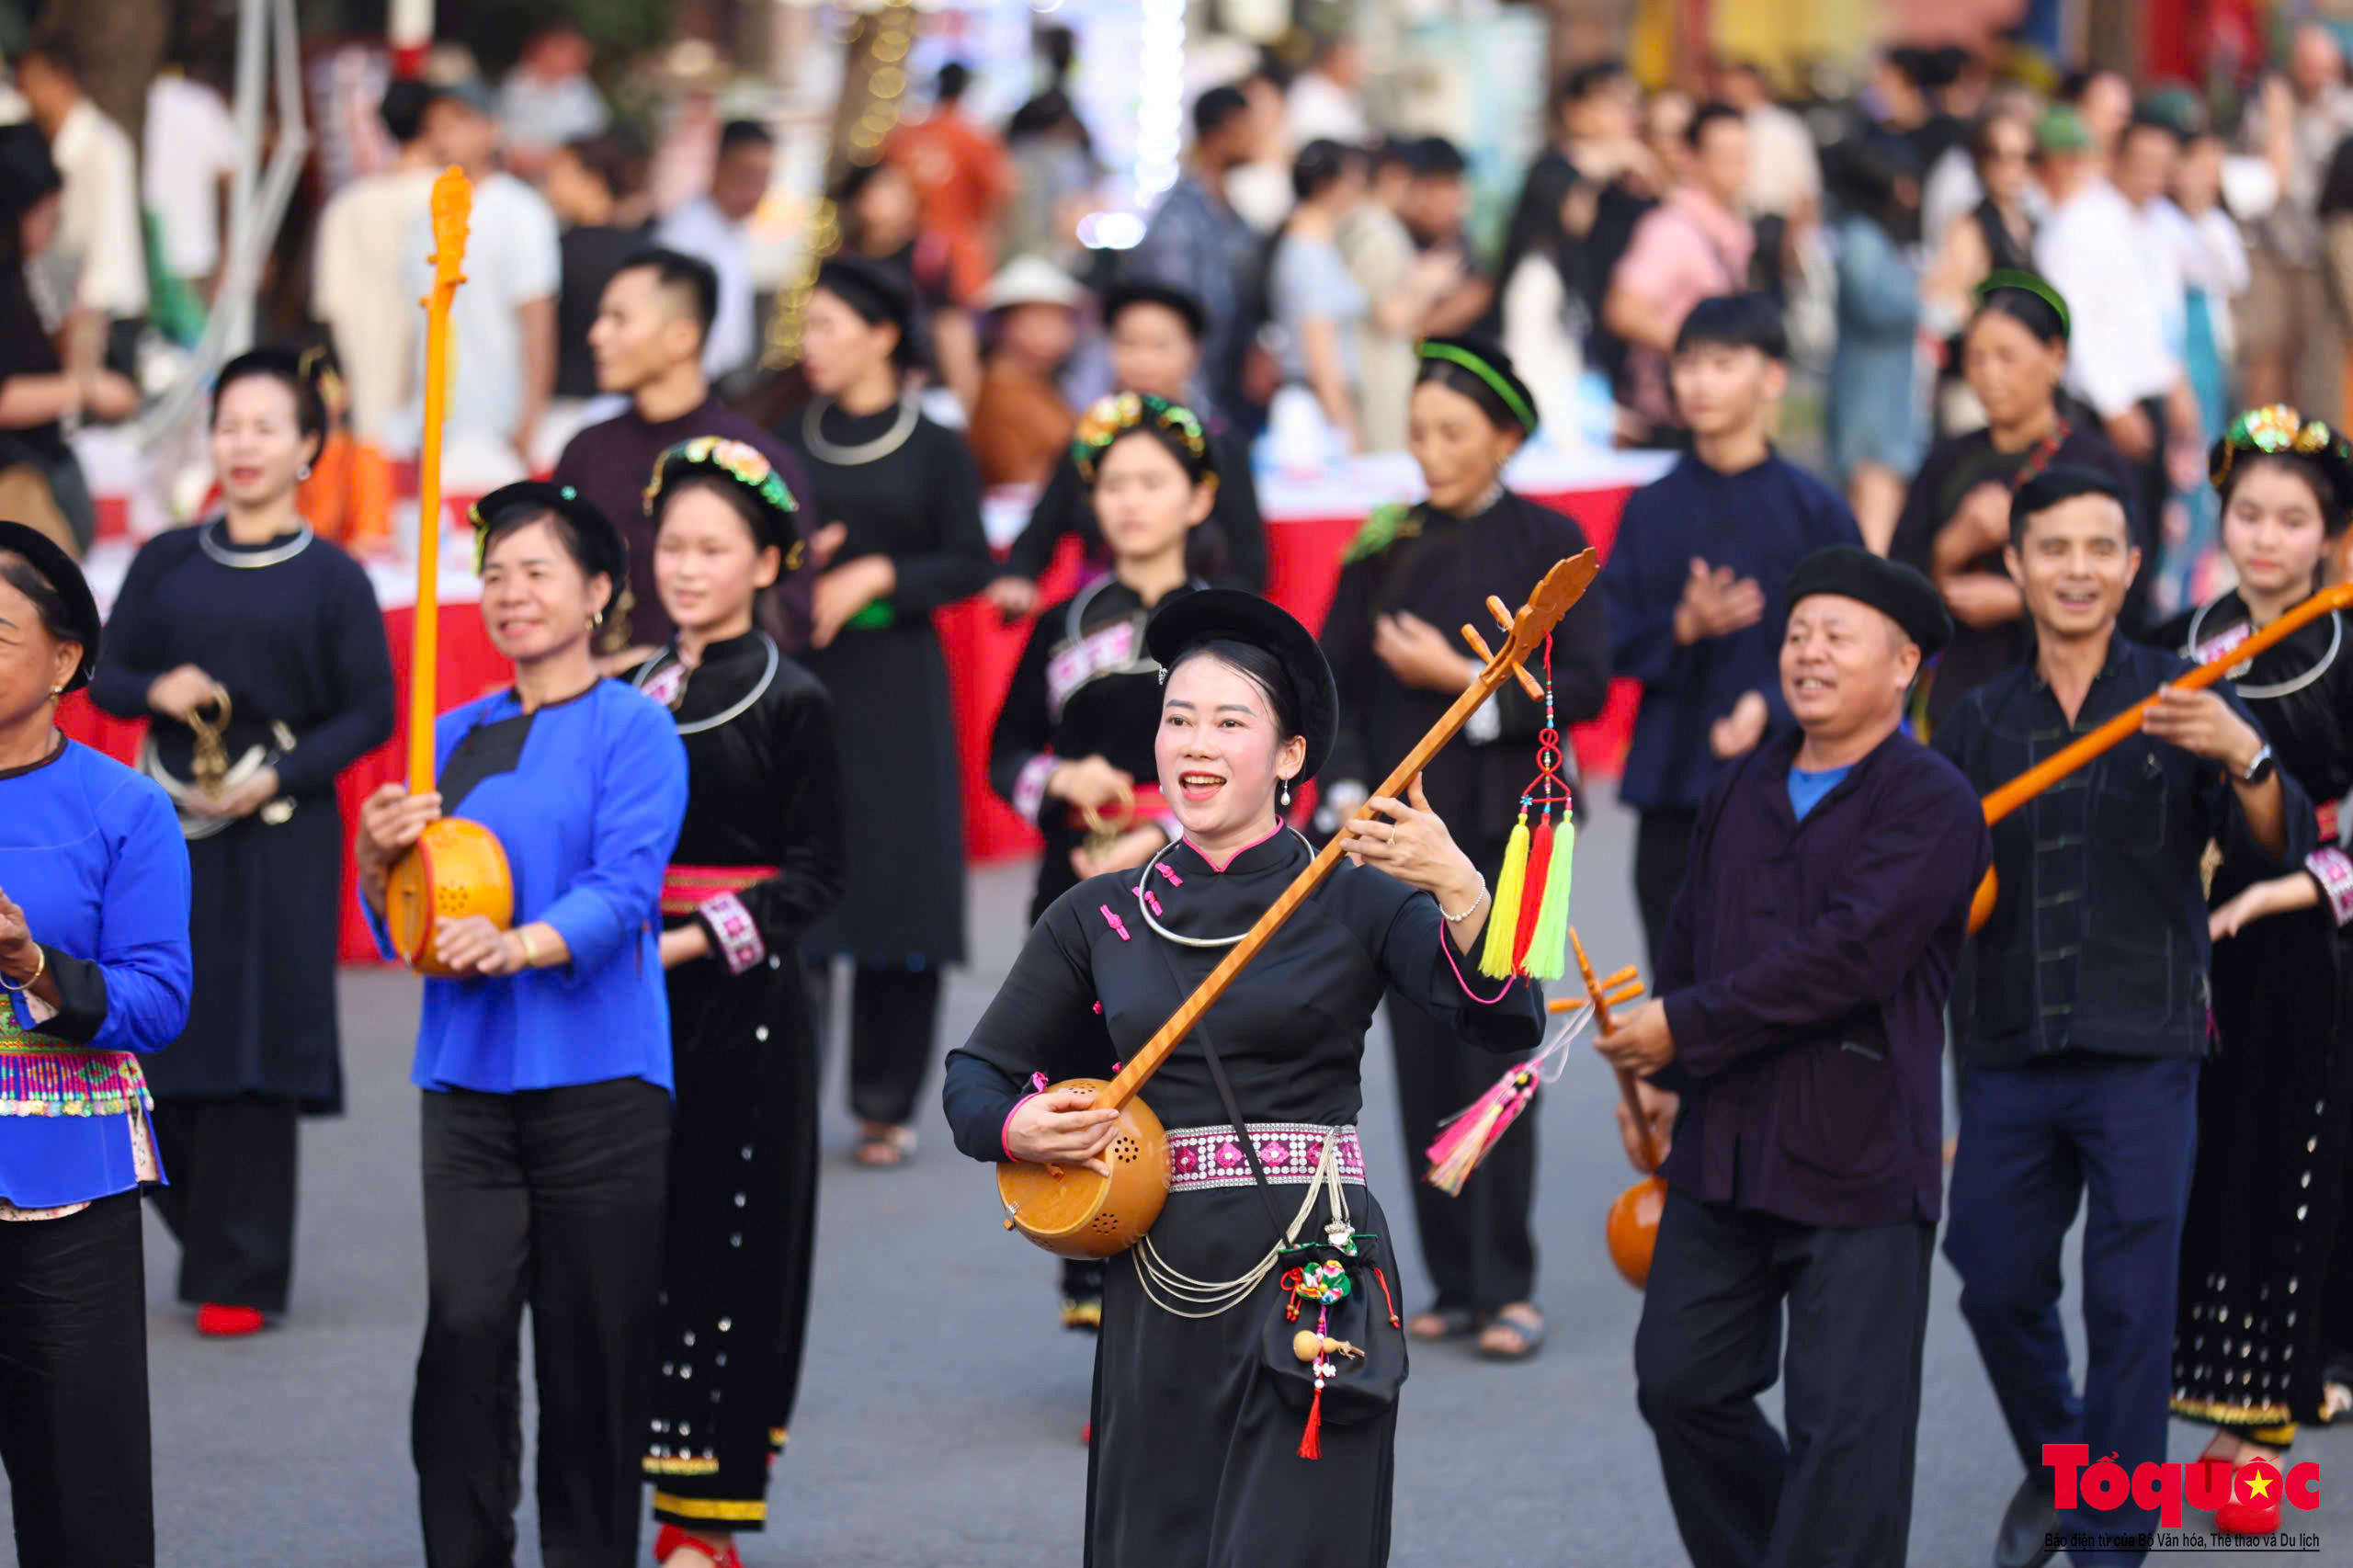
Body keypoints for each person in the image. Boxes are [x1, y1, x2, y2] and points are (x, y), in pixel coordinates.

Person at [943, 588, 1545, 1567]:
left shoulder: (1353, 895)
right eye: (1178, 717)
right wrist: (1019, 1126)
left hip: (1314, 1272)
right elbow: (975, 1079)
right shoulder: (1098, 914)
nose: (1196, 742)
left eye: (1231, 721)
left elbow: (1506, 1020)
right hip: (1156, 1279)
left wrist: (1461, 887)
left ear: (1291, 756)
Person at [1934, 465, 2313, 1568]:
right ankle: (2070, 1468)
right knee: (1993, 1277)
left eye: (2101, 548)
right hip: (2006, 1045)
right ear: (2015, 564)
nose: (2078, 570)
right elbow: (1928, 881)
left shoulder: (2178, 694)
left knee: (2132, 1310)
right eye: (2053, 549)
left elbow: (2270, 836)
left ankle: (2110, 1545)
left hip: (2146, 1045)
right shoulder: (1974, 722)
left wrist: (2238, 750)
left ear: (2132, 565)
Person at [1605, 547, 1987, 1568]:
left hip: (1855, 1149)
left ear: (1904, 662)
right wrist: (1662, 1077)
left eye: (1836, 634)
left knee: (1847, 1433)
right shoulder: (1744, 781)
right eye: (1796, 632)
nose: (1808, 652)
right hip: (1724, 1140)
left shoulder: (1930, 798)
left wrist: (1683, 1027)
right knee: (1679, 1379)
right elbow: (1687, 933)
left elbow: (1851, 957)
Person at [355, 483, 688, 1568]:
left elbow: (624, 888)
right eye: (493, 573)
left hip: (601, 1077)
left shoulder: (637, 727)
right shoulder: (448, 738)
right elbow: (401, 915)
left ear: (598, 592)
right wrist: (374, 858)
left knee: (591, 1357)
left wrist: (524, 942)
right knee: (462, 1335)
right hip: (465, 1080)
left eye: (537, 570)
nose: (510, 593)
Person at [86, 348, 394, 1337]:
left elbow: (370, 711)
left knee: (261, 1039)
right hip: (170, 832)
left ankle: (246, 1269)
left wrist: (286, 773)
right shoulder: (169, 559)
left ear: (309, 447)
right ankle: (203, 1227)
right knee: (166, 1028)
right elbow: (101, 671)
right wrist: (155, 687)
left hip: (283, 829)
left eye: (267, 427)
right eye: (230, 424)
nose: (244, 445)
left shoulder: (334, 577)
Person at [1320, 336, 1610, 1361]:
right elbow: (1335, 683)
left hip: (1501, 832)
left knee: (1497, 1041)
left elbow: (1584, 687)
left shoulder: (1551, 539)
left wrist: (1457, 674)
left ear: (1506, 436)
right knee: (1413, 1046)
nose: (1432, 452)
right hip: (1400, 828)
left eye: (1454, 433)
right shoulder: (1382, 540)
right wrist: (1349, 794)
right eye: (1419, 433)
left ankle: (1507, 1282)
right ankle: (1445, 1275)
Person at [629, 438, 845, 1567]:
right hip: (617, 994)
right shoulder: (623, 687)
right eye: (673, 545)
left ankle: (702, 1521)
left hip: (743, 1006)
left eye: (714, 548)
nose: (687, 567)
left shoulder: (793, 696)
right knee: (628, 1238)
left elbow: (817, 874)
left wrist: (688, 939)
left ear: (767, 560)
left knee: (730, 1241)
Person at [2154, 408, 2353, 1530]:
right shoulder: (2183, 639)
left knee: (2291, 1173)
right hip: (2193, 942)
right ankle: (2216, 1383)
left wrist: (2297, 884)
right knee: (2205, 1168)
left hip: (2310, 941)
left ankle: (2259, 1417)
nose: (2266, 537)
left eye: (2293, 518)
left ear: (2328, 534)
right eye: (2249, 514)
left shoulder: (2348, 639)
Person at [987, 392, 1213, 1335]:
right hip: (1077, 890)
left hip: (1199, 889)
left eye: (1152, 482)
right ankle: (1089, 1264)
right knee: (1079, 1074)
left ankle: (1194, 1282)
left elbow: (1280, 769)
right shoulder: (1063, 625)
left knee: (1185, 1084)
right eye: (1113, 484)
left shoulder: (1227, 625)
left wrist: (1164, 828)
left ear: (1198, 498)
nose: (1130, 502)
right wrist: (1060, 772)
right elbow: (1006, 756)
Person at [0, 520, 191, 1568]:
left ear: (64, 660)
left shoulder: (124, 808)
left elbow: (160, 1000)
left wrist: (35, 966)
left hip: (67, 1189)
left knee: (85, 1497)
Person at [782, 255, 991, 1167]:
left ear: (880, 334)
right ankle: (785, 1083)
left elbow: (969, 562)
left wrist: (879, 574)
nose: (813, 345)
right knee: (801, 880)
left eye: (830, 326)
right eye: (808, 327)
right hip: (803, 679)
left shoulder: (934, 444)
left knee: (898, 888)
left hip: (898, 680)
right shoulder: (787, 436)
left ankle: (883, 1099)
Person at [1605, 294, 1861, 966]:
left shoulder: (1815, 510)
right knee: (1676, 981)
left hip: (1793, 785)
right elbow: (1604, 639)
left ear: (1772, 377)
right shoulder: (1651, 507)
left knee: (1779, 981)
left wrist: (1770, 705)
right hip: (1673, 785)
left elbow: (1863, 642)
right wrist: (1682, 626)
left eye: (1722, 364)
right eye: (1687, 365)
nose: (1699, 383)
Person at [1892, 275, 2139, 733]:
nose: (1989, 375)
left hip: (2063, 706)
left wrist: (2023, 602)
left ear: (2055, 358)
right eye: (1976, 358)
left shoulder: (2096, 463)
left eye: (2007, 357)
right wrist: (1951, 547)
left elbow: (2131, 596)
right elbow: (1896, 591)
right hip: (1956, 703)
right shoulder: (1948, 461)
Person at [554, 246, 813, 661]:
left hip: (718, 709)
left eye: (619, 319)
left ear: (682, 338)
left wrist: (668, 672)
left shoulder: (752, 459)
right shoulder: (586, 451)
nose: (597, 334)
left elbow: (791, 616)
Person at [988, 280, 1268, 615]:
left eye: (1159, 345)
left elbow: (1249, 564)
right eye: (1128, 343)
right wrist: (1019, 576)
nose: (1143, 360)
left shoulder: (1218, 445)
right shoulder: (1091, 440)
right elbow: (1040, 530)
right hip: (1102, 617)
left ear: (1193, 350)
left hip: (1195, 617)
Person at [2034, 108, 2198, 632]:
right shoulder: (2081, 224)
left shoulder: (2152, 223)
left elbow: (2150, 320)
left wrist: (2173, 381)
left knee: (2146, 544)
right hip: (2103, 410)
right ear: (2116, 158)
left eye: (2164, 165)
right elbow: (2071, 328)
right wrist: (2113, 406)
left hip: (2147, 399)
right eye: (2144, 162)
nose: (2154, 176)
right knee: (2109, 539)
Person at [402, 81, 560, 473]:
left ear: (491, 129)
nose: (442, 136)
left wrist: (529, 422)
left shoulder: (521, 212)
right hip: (434, 423)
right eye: (433, 126)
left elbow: (537, 318)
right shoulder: (424, 218)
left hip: (500, 420)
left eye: (455, 123)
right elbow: (417, 324)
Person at [0, 121, 134, 556]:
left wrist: (68, 341)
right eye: (47, 217)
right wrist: (87, 388)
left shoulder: (20, 273)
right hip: (18, 482)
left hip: (41, 469)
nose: (51, 230)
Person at [1605, 103, 1756, 438]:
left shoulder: (1734, 229)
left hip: (1716, 418)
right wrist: (1704, 355)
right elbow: (1623, 310)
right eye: (1728, 156)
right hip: (1672, 420)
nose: (1741, 168)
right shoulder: (1670, 229)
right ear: (1693, 159)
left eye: (1744, 155)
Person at [1124, 84, 1271, 426]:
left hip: (1230, 393)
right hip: (1194, 403)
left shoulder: (1228, 210)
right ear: (1224, 131)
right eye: (1248, 127)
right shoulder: (1179, 220)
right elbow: (1174, 320)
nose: (1258, 137)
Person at [313, 79, 438, 454]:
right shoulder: (458, 200)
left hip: (370, 407)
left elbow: (328, 307)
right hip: (445, 403)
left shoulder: (347, 205)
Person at [2243, 24, 2353, 416]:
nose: (2315, 74)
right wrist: (2277, 121)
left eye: (2323, 65)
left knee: (2317, 365)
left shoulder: (2344, 111)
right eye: (2306, 63)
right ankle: (2259, 453)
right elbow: (2272, 182)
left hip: (2321, 255)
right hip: (2269, 253)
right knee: (2267, 360)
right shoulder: (2266, 108)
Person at [1823, 136, 1927, 553]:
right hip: (1871, 409)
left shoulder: (1873, 238)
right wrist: (1931, 294)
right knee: (1874, 536)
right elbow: (1875, 306)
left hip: (1882, 403)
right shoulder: (1861, 238)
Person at [14, 32, 147, 336]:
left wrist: (84, 310)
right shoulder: (47, 141)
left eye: (32, 81)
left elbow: (106, 235)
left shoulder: (103, 146)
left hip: (98, 310)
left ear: (61, 79)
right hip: (62, 305)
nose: (26, 93)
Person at [831, 157, 984, 415]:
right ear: (858, 200)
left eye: (903, 193)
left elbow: (950, 326)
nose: (898, 201)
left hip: (922, 389)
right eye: (884, 191)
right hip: (858, 390)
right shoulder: (845, 263)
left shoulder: (928, 257)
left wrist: (967, 393)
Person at [1345, 142, 1470, 452]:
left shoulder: (1366, 224)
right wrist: (1429, 283)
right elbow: (1390, 316)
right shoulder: (1376, 230)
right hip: (1380, 377)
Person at [1922, 107, 2040, 433]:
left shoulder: (2030, 223)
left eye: (2025, 157)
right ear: (1981, 161)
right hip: (1977, 386)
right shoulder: (1970, 227)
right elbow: (1941, 300)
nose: (2014, 169)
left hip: (2020, 382)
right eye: (2000, 157)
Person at [1268, 140, 1370, 452]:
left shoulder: (1318, 245)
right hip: (1317, 406)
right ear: (1326, 185)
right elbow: (1319, 348)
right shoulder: (1308, 253)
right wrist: (1345, 429)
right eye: (1353, 179)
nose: (1360, 189)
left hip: (1322, 399)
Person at [656, 120, 775, 386]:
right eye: (746, 174)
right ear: (718, 166)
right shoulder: (685, 237)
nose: (756, 189)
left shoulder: (736, 230)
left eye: (764, 177)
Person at [546, 131, 652, 416]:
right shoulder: (642, 245)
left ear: (593, 180)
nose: (551, 184)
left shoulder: (556, 249)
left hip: (565, 404)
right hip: (626, 400)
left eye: (560, 174)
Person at [967, 255, 1086, 489]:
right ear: (1004, 325)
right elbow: (1018, 481)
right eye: (1041, 321)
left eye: (1062, 321)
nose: (1060, 333)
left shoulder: (1044, 384)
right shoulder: (1001, 396)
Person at [885, 62, 1012, 280]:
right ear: (965, 89)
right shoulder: (976, 139)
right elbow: (1001, 192)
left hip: (902, 248)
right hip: (957, 254)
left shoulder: (905, 135)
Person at [1396, 137, 1494, 338]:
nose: (1454, 201)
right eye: (1445, 188)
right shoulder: (1389, 236)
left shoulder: (1454, 237)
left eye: (1456, 188)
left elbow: (1477, 291)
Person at [496, 23, 610, 184]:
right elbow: (499, 129)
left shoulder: (582, 92)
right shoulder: (517, 81)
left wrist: (543, 159)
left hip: (559, 179)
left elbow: (590, 146)